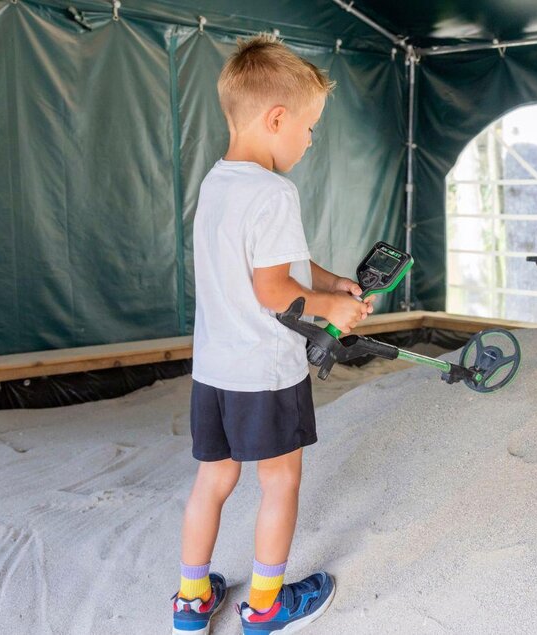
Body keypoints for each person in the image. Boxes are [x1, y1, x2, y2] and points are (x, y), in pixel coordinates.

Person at [171, 34, 371, 635]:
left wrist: (330, 281)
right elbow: (273, 289)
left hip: (214, 371)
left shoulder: (216, 183)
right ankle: (264, 607)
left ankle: (190, 602)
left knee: (214, 480)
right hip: (265, 372)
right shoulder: (275, 192)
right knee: (280, 479)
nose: (309, 140)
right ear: (277, 119)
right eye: (309, 127)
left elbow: (267, 264)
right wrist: (333, 308)